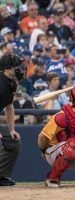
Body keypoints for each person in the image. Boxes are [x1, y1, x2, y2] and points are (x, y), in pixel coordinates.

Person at [0, 54, 26, 186]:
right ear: (8, 68)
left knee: (12, 141)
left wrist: (12, 130)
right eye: (17, 66)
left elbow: (9, 107)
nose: (20, 69)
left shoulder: (11, 83)